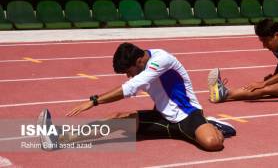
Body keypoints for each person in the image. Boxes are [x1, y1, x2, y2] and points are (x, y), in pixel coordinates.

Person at [39, 43, 235, 151]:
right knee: (117, 120)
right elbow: (131, 83)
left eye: (128, 70)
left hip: (189, 116)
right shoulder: (141, 65)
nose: (128, 75)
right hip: (162, 118)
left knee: (212, 143)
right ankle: (57, 138)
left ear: (140, 60)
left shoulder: (162, 59)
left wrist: (94, 101)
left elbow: (132, 86)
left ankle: (213, 125)